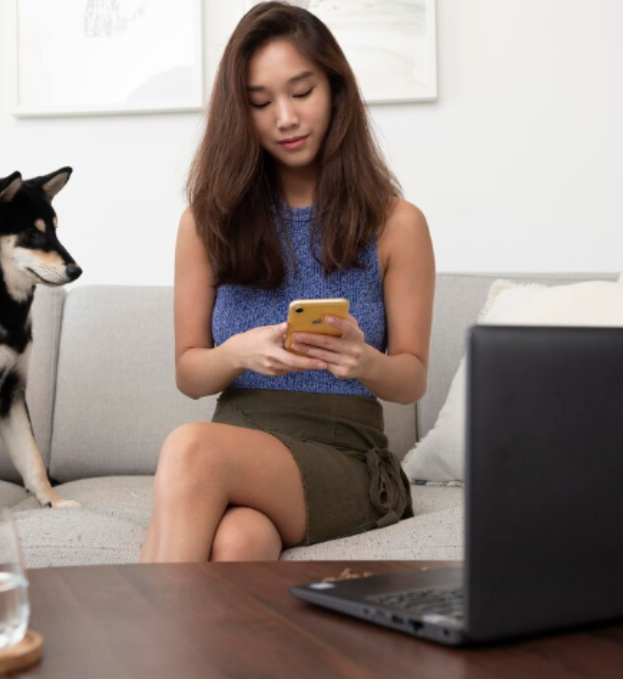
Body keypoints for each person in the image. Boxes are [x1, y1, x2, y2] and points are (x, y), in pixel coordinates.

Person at [140, 1, 435, 563]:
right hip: (243, 443)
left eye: (302, 93)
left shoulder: (398, 225)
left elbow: (412, 379)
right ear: (239, 113)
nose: (285, 118)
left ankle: (139, 638)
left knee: (190, 447)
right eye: (260, 102)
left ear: (335, 89)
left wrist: (361, 360)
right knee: (238, 542)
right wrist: (239, 352)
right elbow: (190, 374)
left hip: (345, 452)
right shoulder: (206, 225)